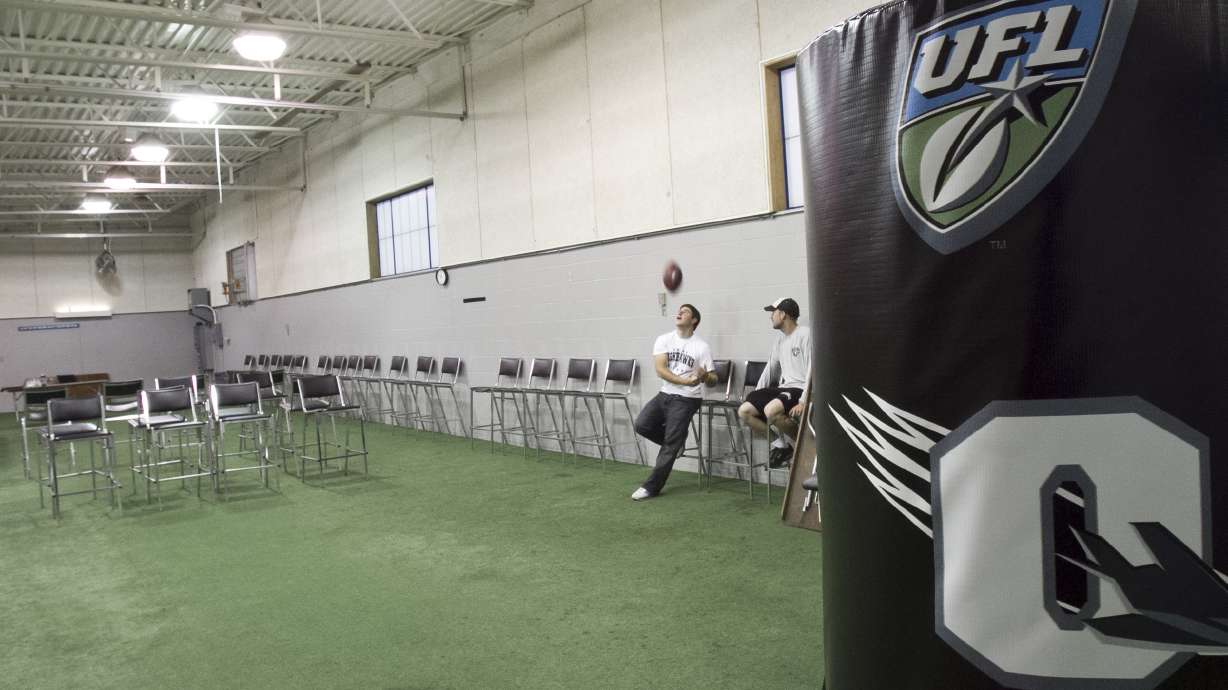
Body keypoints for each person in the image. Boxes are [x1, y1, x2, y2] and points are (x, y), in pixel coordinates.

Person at [631, 303, 715, 501]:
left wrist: (704, 376)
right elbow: (660, 370)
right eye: (679, 310)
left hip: (687, 399)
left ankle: (651, 487)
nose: (679, 313)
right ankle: (676, 443)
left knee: (670, 443)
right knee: (642, 424)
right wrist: (684, 380)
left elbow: (713, 380)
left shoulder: (701, 347)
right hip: (665, 393)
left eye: (685, 311)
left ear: (694, 320)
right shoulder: (664, 340)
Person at [738, 297, 811, 468]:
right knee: (744, 411)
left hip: (799, 388)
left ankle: (803, 445)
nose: (771, 316)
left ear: (783, 314)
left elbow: (812, 369)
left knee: (771, 411)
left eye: (774, 312)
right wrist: (756, 396)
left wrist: (804, 401)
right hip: (784, 388)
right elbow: (770, 369)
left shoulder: (805, 334)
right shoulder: (780, 340)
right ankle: (781, 445)